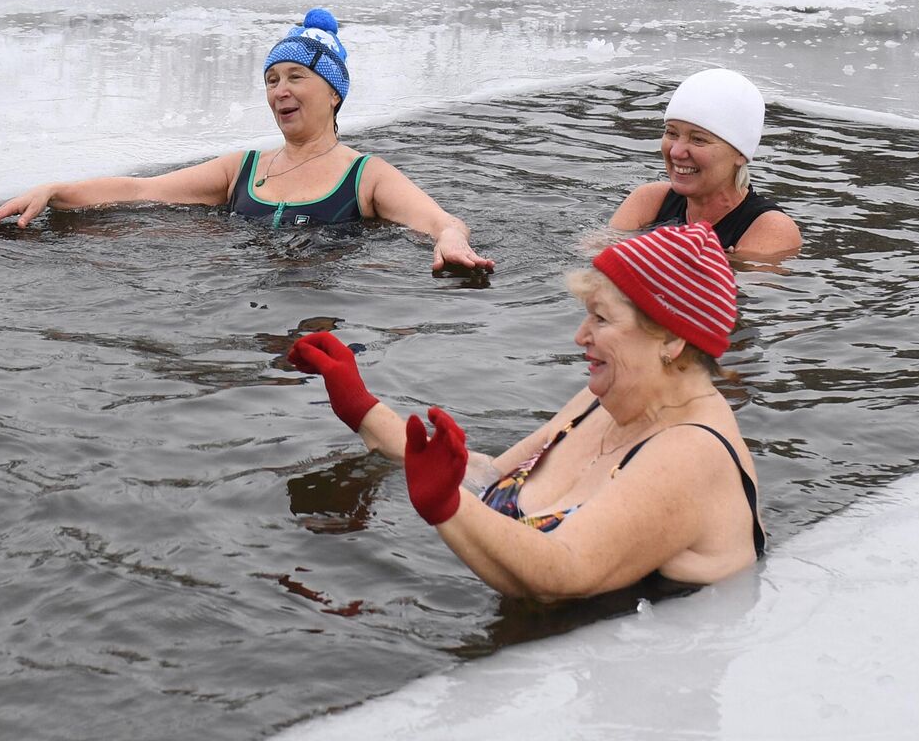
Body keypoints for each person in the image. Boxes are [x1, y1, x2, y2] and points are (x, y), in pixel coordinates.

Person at [288, 222, 764, 597]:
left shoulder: (691, 454)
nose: (580, 336)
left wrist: (446, 508)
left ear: (673, 339)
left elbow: (566, 570)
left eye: (601, 318)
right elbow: (489, 476)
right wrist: (361, 406)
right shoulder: (608, 400)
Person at [0, 9, 493, 273]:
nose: (280, 91)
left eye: (295, 77)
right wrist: (56, 191)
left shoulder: (366, 176)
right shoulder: (241, 168)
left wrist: (450, 241)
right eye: (271, 80)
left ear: (334, 93)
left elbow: (441, 223)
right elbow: (142, 191)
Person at [611, 68, 800, 256]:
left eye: (698, 139)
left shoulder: (771, 228)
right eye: (671, 133)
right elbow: (596, 267)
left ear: (740, 153)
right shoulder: (650, 200)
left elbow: (736, 286)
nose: (676, 151)